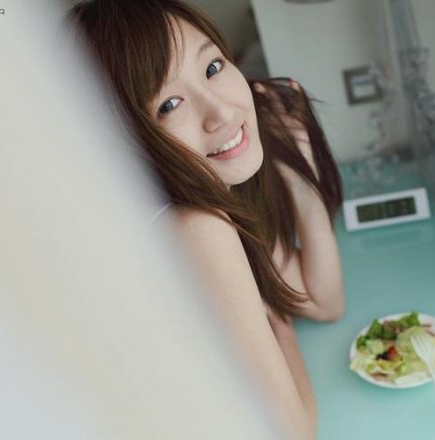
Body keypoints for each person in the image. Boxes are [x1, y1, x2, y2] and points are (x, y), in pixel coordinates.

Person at [68, 1, 344, 437]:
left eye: (213, 67)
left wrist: (303, 189)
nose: (222, 112)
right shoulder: (195, 227)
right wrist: (282, 334)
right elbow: (292, 432)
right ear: (125, 138)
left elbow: (325, 303)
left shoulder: (208, 194)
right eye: (170, 104)